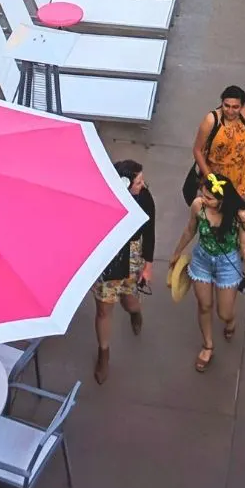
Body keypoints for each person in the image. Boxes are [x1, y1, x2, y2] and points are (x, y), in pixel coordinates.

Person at [168, 175, 245, 372]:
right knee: (204, 305)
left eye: (209, 198)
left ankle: (230, 320)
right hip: (202, 260)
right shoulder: (198, 206)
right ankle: (207, 345)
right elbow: (190, 230)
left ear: (223, 200)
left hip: (227, 264)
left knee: (224, 312)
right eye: (203, 195)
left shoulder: (240, 215)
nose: (203, 199)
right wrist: (177, 252)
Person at [92, 159, 156, 384]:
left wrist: (148, 264)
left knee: (129, 301)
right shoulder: (104, 199)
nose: (142, 184)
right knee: (103, 311)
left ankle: (135, 313)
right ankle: (104, 353)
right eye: (138, 181)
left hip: (132, 256)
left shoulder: (145, 198)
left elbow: (150, 231)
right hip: (108, 260)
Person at [192, 86, 245, 203]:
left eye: (235, 107)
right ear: (222, 103)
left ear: (241, 106)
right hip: (217, 175)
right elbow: (197, 150)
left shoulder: (244, 114)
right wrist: (210, 177)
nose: (230, 111)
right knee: (214, 209)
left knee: (236, 208)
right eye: (226, 105)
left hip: (240, 173)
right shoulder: (212, 120)